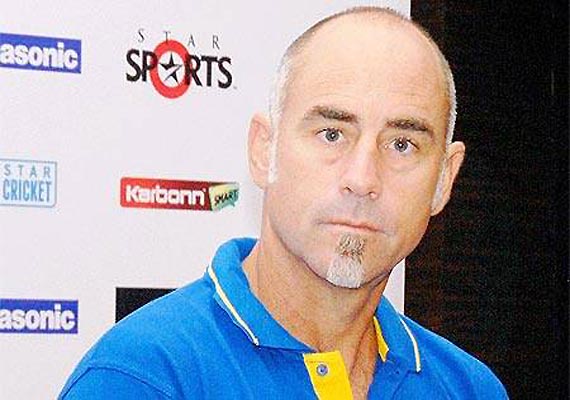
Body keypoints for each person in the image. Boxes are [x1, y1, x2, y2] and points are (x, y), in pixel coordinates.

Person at [59, 6, 508, 399]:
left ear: (444, 179)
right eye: (332, 134)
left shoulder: (469, 388)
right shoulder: (142, 378)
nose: (362, 179)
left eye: (402, 144)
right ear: (264, 150)